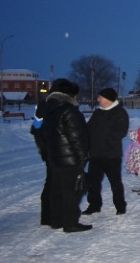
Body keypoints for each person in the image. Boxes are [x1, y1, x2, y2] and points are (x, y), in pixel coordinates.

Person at [41, 80, 93, 232]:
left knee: (57, 190)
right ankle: (70, 222)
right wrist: (82, 158)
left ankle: (56, 220)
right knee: (71, 191)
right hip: (70, 159)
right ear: (71, 95)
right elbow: (77, 138)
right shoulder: (69, 111)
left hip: (55, 157)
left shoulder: (50, 110)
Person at [30, 78, 72, 228]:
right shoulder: (62, 105)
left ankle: (46, 216)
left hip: (48, 148)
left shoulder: (43, 104)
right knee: (57, 183)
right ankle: (55, 216)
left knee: (51, 181)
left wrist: (43, 148)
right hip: (58, 149)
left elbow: (35, 127)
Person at [84, 88, 129, 215]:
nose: (98, 99)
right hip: (95, 155)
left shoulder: (120, 112)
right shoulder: (97, 113)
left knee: (115, 182)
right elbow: (88, 129)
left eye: (100, 97)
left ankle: (120, 206)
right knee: (93, 182)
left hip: (111, 155)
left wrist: (105, 140)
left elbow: (121, 131)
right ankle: (94, 205)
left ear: (108, 99)